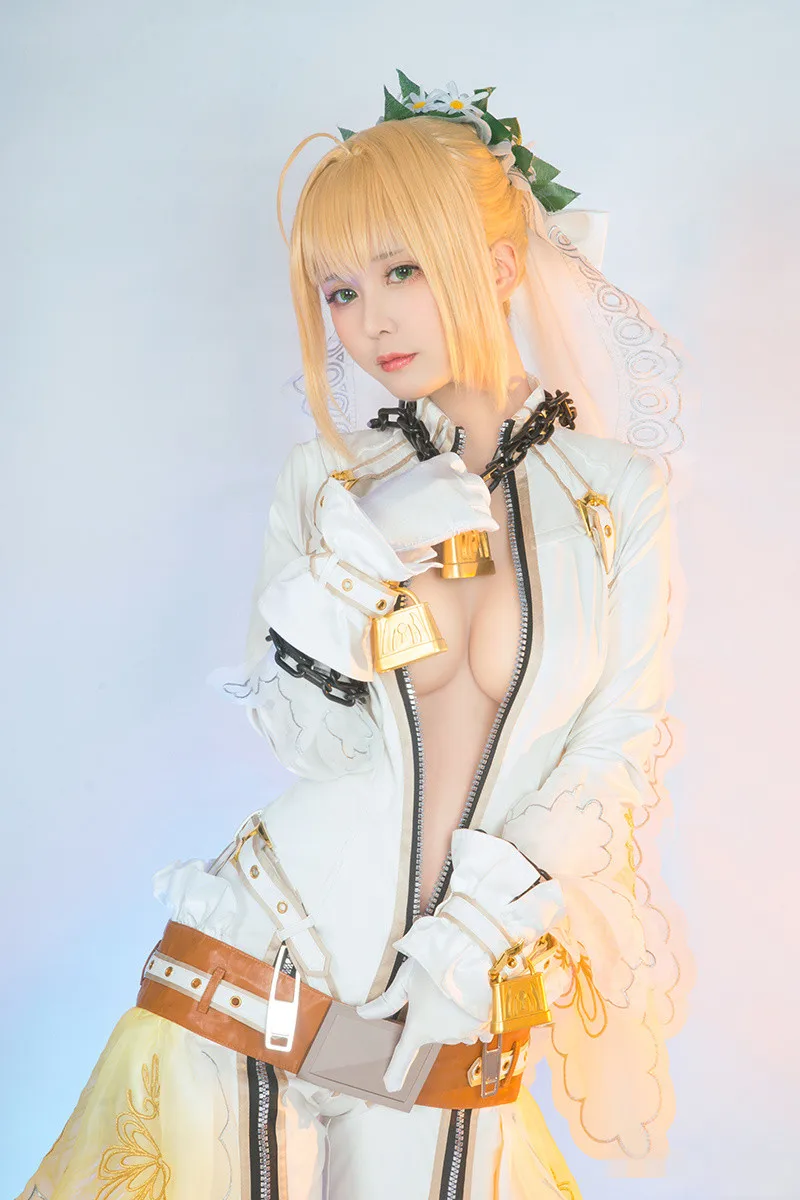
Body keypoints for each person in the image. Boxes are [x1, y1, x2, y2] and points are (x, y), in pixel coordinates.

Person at [17, 72, 691, 1200]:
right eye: (338, 290)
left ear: (501, 265)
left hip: (456, 1001)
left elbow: (616, 748)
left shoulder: (616, 497)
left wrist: (468, 939)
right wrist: (361, 550)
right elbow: (304, 738)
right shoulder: (327, 484)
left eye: (401, 271)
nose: (369, 320)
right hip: (260, 963)